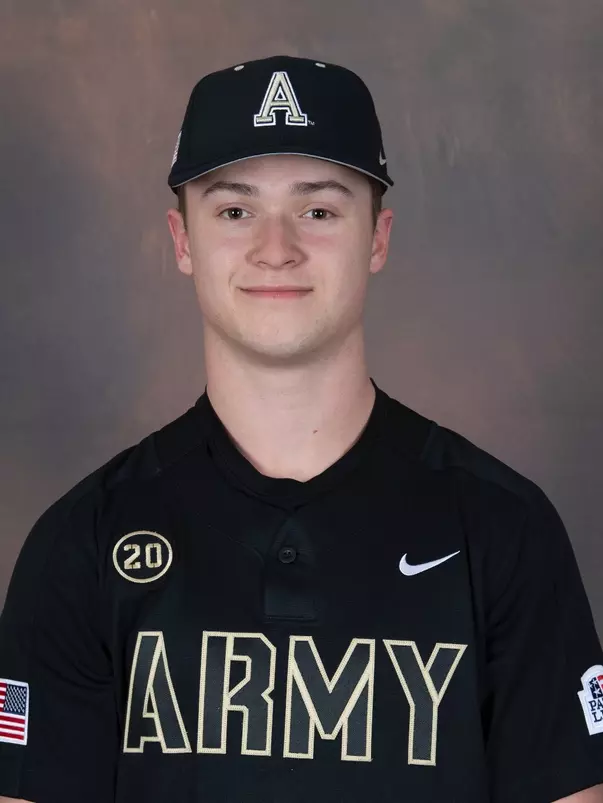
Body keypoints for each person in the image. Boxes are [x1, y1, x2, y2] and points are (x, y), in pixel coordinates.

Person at [0, 53, 602, 803]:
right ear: (182, 240)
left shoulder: (503, 530)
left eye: (318, 211)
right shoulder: (82, 544)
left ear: (377, 237)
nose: (276, 248)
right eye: (235, 211)